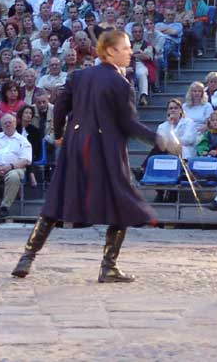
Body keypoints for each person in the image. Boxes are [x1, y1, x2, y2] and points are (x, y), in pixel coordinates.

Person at [11, 30, 180, 283]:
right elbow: (129, 125)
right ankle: (108, 266)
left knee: (55, 202)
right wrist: (160, 140)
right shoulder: (121, 84)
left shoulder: (78, 76)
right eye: (125, 48)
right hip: (105, 149)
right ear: (110, 50)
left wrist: (60, 136)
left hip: (75, 146)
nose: (130, 52)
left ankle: (27, 257)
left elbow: (59, 110)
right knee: (121, 204)